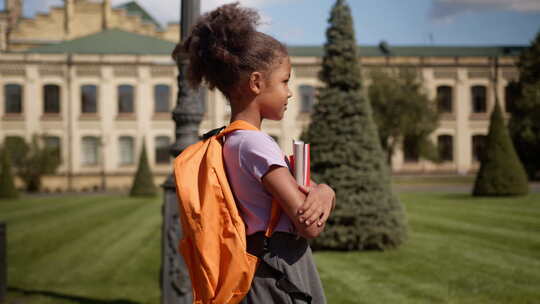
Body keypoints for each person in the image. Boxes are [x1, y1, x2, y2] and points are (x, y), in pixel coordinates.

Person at [177, 2, 336, 303]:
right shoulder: (257, 144)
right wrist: (327, 193)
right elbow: (308, 224)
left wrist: (322, 190)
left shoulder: (230, 141)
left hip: (257, 268)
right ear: (256, 83)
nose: (289, 91)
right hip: (280, 269)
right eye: (285, 81)